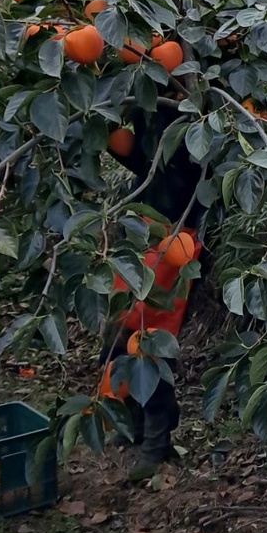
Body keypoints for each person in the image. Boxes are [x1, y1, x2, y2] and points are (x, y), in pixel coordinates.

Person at [100, 106, 205, 482]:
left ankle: (156, 442)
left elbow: (185, 176)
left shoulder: (196, 113)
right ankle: (137, 422)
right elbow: (144, 161)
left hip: (175, 235)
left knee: (151, 337)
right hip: (141, 226)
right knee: (120, 329)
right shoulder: (147, 95)